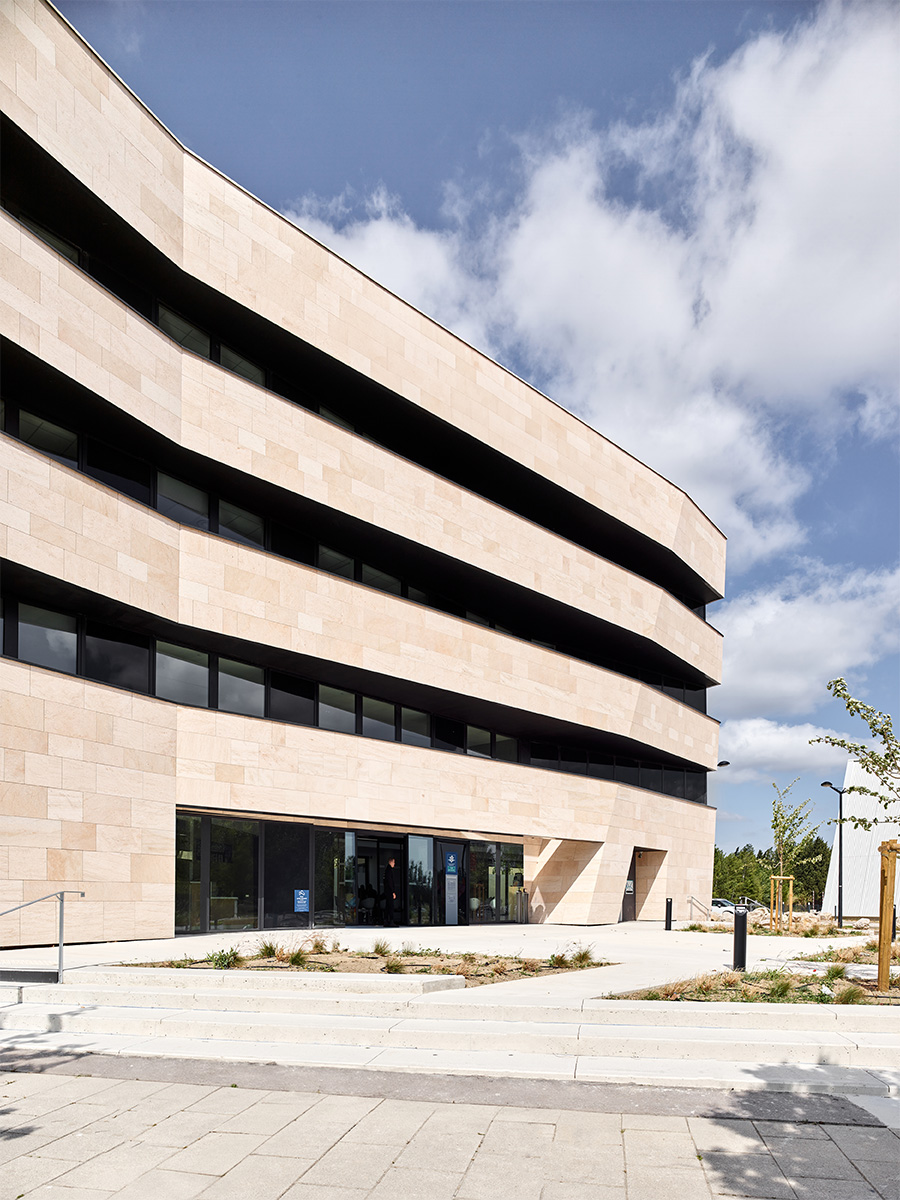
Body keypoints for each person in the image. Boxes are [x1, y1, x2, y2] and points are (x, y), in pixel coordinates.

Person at [383, 856, 398, 926]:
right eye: (393, 862)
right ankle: (391, 921)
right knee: (391, 906)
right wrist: (393, 892)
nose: (394, 864)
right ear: (390, 862)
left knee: (388, 906)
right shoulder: (389, 870)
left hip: (387, 891)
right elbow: (390, 882)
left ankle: (386, 920)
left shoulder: (387, 870)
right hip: (389, 891)